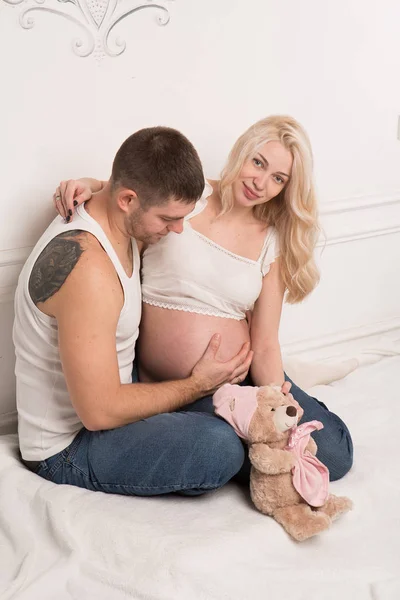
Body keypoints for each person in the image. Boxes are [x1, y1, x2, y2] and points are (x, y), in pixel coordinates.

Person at [54, 115, 353, 487]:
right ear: (242, 151)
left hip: (245, 379)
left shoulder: (271, 239)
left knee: (334, 455)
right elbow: (133, 195)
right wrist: (90, 184)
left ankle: (289, 401)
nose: (261, 183)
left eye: (279, 179)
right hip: (180, 386)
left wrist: (276, 400)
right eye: (258, 163)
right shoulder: (189, 200)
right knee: (226, 450)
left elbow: (264, 341)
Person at [14, 126, 254, 497]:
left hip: (119, 400)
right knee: (220, 446)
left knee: (247, 417)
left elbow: (123, 184)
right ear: (127, 199)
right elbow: (101, 412)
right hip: (70, 447)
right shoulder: (88, 270)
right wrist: (195, 385)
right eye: (168, 219)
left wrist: (91, 182)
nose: (177, 231)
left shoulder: (118, 213)